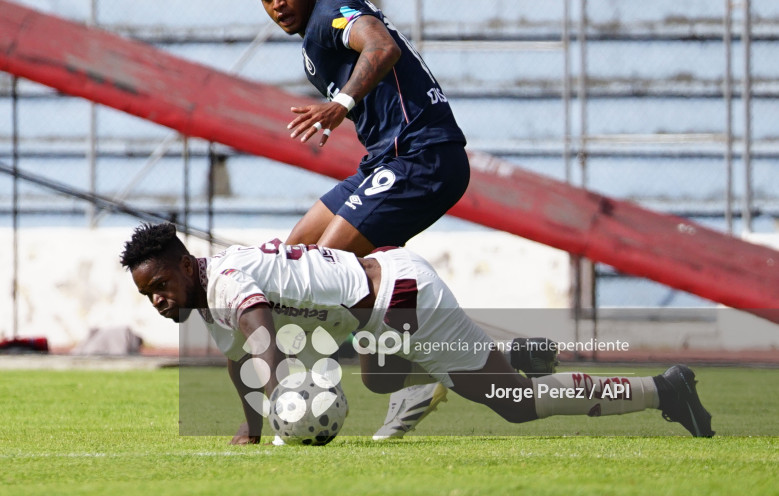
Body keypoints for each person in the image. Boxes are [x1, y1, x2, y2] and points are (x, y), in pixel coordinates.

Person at [120, 223, 715, 444]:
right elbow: (237, 360)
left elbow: (258, 336)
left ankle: (664, 389)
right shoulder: (211, 292)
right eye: (149, 295)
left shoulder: (223, 284)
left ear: (183, 264)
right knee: (380, 377)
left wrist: (283, 404)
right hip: (386, 302)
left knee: (517, 405)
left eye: (160, 285)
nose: (158, 299)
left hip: (401, 299)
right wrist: (251, 430)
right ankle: (501, 355)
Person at [250, 0, 473, 438]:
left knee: (323, 272)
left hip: (423, 156)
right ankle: (435, 368)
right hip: (385, 161)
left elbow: (381, 46)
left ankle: (303, 397)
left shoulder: (332, 12)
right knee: (295, 257)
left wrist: (342, 104)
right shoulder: (311, 44)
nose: (279, 4)